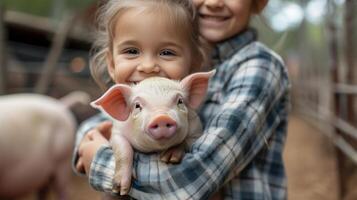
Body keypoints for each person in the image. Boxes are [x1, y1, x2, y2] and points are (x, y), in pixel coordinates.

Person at [74, 0, 291, 199]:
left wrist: (103, 162)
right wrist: (89, 141)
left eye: (167, 52)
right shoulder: (171, 65)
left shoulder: (260, 67)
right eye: (132, 51)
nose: (148, 67)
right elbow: (96, 128)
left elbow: (191, 180)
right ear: (111, 64)